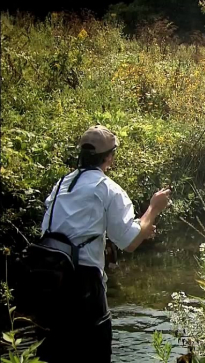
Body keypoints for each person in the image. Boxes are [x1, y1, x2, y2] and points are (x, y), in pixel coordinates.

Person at [36, 125, 171, 363]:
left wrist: (140, 229)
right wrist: (153, 208)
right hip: (83, 284)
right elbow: (128, 242)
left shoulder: (61, 185)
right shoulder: (109, 189)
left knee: (54, 354)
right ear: (109, 157)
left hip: (48, 282)